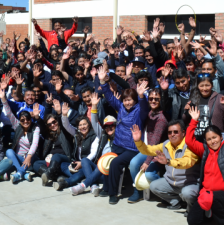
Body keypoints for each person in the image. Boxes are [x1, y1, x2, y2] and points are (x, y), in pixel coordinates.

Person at [98, 66, 149, 205]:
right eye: (125, 100)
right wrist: (103, 82)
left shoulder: (139, 110)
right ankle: (107, 187)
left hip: (132, 148)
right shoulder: (121, 107)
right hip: (118, 144)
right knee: (106, 160)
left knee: (115, 163)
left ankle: (113, 194)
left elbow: (145, 108)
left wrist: (141, 96)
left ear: (135, 100)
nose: (127, 102)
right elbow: (109, 97)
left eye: (130, 100)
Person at [132, 120, 200, 212]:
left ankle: (191, 210)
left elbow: (187, 162)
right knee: (153, 186)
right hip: (172, 183)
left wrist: (169, 162)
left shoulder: (190, 144)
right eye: (169, 132)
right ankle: (177, 202)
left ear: (183, 133)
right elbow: (149, 150)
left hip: (189, 183)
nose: (172, 135)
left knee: (187, 193)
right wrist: (138, 141)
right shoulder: (166, 144)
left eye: (175, 132)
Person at [128, 87, 168, 203]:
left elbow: (154, 142)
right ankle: (138, 191)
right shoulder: (150, 113)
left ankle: (165, 191)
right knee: (133, 163)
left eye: (156, 99)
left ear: (161, 100)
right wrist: (140, 95)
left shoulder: (161, 119)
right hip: (147, 149)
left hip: (158, 152)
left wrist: (147, 161)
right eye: (151, 98)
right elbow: (143, 107)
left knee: (150, 174)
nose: (153, 101)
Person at [0, 87, 41, 184]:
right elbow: (9, 113)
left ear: (31, 119)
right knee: (9, 151)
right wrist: (3, 99)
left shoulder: (36, 128)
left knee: (31, 156)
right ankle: (22, 173)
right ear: (19, 121)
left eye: (28, 119)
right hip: (18, 158)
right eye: (22, 120)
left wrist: (29, 156)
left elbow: (35, 144)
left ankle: (19, 173)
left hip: (30, 158)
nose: (25, 122)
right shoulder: (17, 125)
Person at [54, 101, 99, 191]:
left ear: (89, 125)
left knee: (80, 173)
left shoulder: (94, 136)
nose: (82, 127)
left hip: (87, 165)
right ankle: (83, 178)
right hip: (76, 162)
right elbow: (67, 125)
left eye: (84, 124)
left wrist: (82, 163)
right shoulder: (77, 133)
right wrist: (64, 115)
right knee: (62, 165)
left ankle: (65, 183)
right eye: (80, 125)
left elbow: (93, 153)